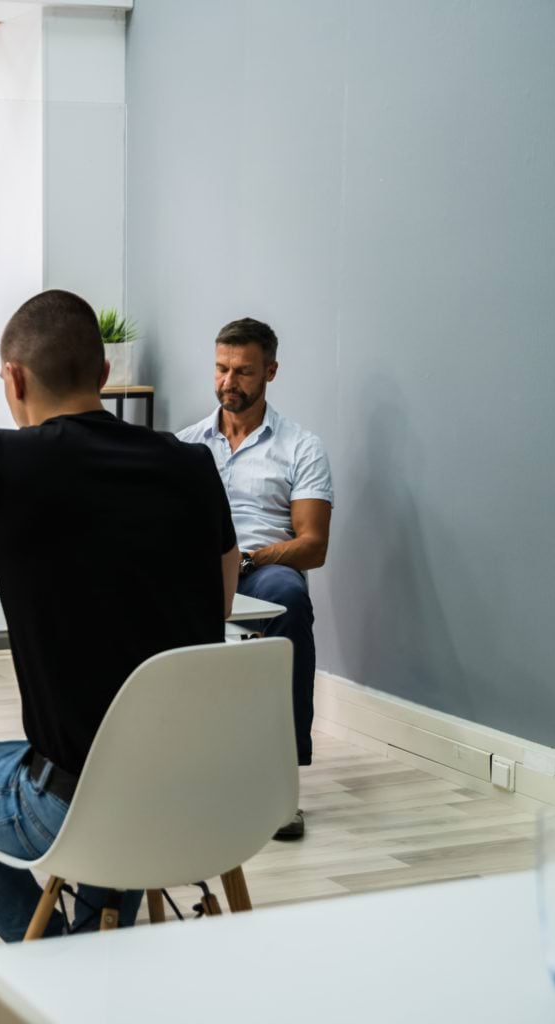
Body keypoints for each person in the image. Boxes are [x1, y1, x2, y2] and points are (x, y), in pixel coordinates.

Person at [0, 290, 239, 939]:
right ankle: (93, 952)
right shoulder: (194, 465)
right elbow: (219, 602)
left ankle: (55, 962)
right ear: (104, 376)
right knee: (117, 773)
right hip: (201, 790)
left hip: (74, 800)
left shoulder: (1, 461)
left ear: (14, 379)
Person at [176, 317, 332, 840]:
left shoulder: (301, 447)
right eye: (221, 368)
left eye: (243, 371)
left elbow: (313, 546)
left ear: (270, 371)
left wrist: (245, 560)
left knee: (289, 595)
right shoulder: (185, 447)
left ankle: (280, 784)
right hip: (192, 571)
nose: (228, 382)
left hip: (259, 573)